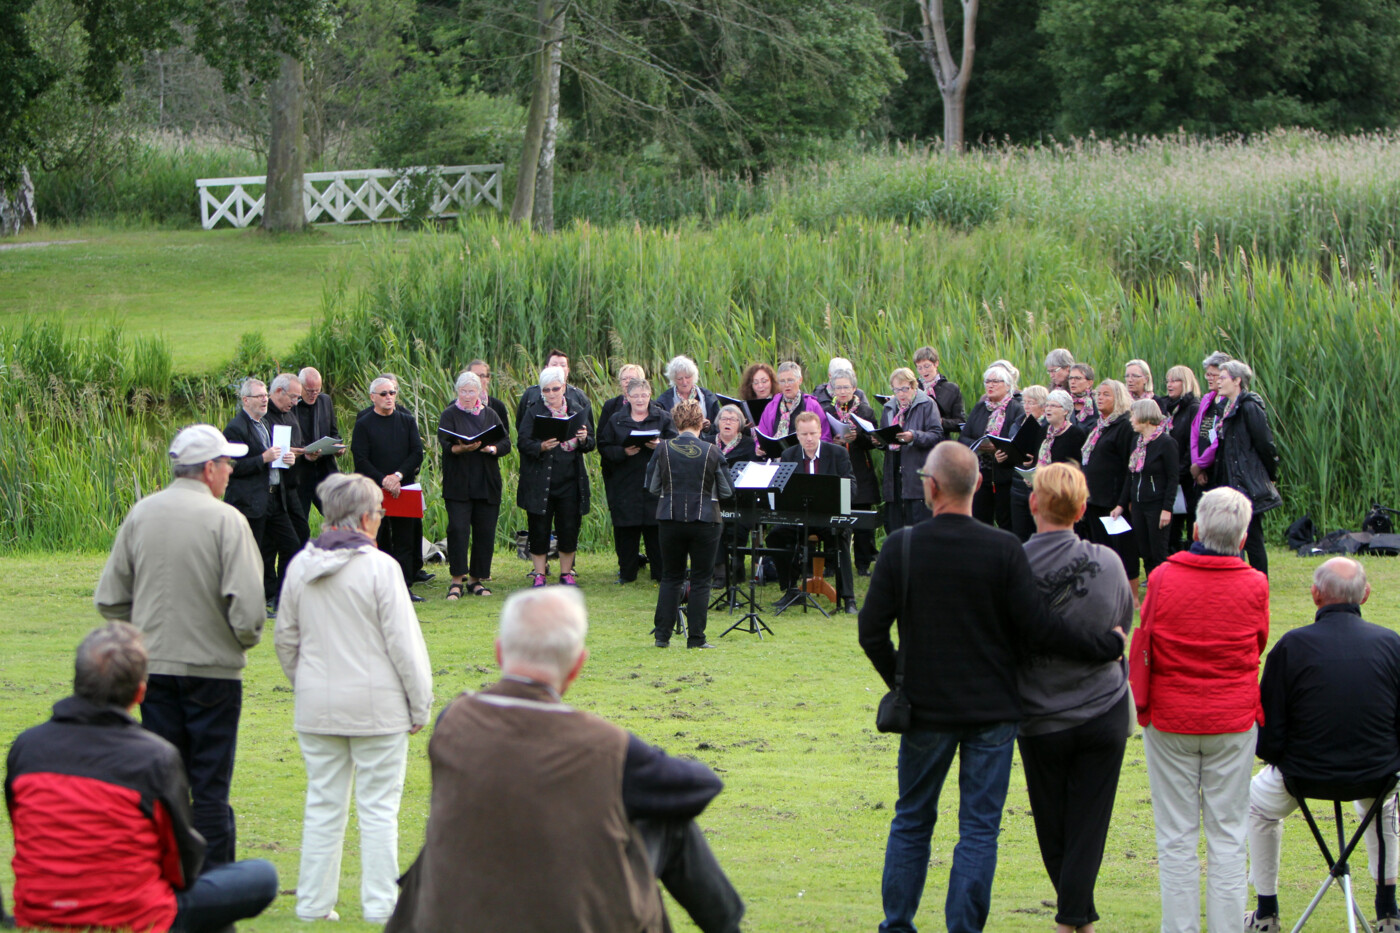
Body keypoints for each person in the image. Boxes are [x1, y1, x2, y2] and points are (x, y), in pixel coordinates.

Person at [858, 442, 1124, 933]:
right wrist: (1105, 645)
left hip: (926, 707)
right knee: (978, 829)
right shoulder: (1002, 548)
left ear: (930, 487)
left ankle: (897, 923)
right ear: (979, 485)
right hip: (994, 710)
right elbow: (1039, 627)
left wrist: (900, 678)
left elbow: (870, 632)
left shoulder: (903, 545)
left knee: (913, 818)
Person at [386, 587, 745, 932]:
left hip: (449, 917)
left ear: (499, 653)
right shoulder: (609, 748)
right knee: (667, 817)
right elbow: (703, 784)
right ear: (577, 666)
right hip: (572, 915)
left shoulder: (453, 722)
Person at [5, 622, 278, 932]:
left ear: (77, 680)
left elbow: (24, 831)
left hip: (41, 912)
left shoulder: (26, 748)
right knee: (261, 876)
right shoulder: (153, 758)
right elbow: (181, 865)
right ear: (140, 692)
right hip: (131, 917)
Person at [94, 423, 264, 867]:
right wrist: (237, 641)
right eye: (226, 463)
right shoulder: (227, 520)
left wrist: (144, 636)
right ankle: (214, 891)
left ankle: (161, 875)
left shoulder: (141, 514)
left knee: (165, 781)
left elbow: (110, 598)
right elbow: (248, 612)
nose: (230, 471)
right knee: (210, 786)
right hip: (213, 672)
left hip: (154, 671)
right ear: (208, 469)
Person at [276, 473, 434, 923]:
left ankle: (312, 903)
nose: (382, 519)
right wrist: (419, 704)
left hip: (319, 707)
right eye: (380, 512)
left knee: (324, 805)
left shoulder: (300, 566)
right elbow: (405, 645)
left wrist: (307, 682)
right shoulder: (381, 567)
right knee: (380, 809)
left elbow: (286, 642)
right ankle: (381, 905)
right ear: (365, 518)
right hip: (378, 710)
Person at [1129, 486, 1269, 933]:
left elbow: (1144, 638)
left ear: (1197, 529)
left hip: (1173, 718)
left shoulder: (1167, 578)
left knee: (1177, 836)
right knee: (1228, 836)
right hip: (1229, 718)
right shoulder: (1253, 582)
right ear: (1243, 538)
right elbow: (1258, 642)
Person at [1245, 558, 1400, 933]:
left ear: (1315, 595)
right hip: (1375, 776)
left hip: (1303, 776)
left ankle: (1266, 912)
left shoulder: (1291, 646)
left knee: (1256, 803)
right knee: (1385, 806)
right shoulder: (1392, 644)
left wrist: (1286, 759)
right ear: (1365, 593)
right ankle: (1389, 912)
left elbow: (1268, 737)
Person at [1020, 463, 1136, 933]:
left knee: (1052, 822)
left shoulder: (1013, 564)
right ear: (1083, 509)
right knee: (1090, 821)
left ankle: (1070, 918)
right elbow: (1121, 627)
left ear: (1033, 504)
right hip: (1101, 707)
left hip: (1039, 711)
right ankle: (1078, 918)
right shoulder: (1109, 563)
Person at [646, 399, 735, 647]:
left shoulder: (662, 449)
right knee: (700, 580)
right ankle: (696, 638)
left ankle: (662, 636)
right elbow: (727, 491)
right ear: (701, 422)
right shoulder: (712, 451)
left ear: (676, 422)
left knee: (670, 577)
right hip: (705, 519)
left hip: (670, 518)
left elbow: (652, 487)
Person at [766, 411, 858, 614]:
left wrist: (834, 496)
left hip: (828, 516)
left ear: (820, 433)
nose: (808, 439)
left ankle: (848, 598)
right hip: (800, 518)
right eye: (803, 434)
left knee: (842, 535)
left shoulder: (838, 453)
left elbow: (851, 486)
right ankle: (791, 589)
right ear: (797, 435)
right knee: (775, 536)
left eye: (812, 433)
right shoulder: (789, 455)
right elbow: (781, 489)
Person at [223, 376, 298, 609]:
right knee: (253, 553)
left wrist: (288, 459)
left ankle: (278, 595)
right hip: (251, 501)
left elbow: (272, 461)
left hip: (275, 497)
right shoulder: (236, 428)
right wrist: (262, 459)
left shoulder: (265, 424)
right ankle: (254, 601)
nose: (265, 400)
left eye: (266, 395)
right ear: (246, 400)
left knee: (292, 544)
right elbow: (231, 468)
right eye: (260, 396)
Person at [517, 365, 595, 587]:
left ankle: (566, 573)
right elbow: (522, 442)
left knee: (569, 526)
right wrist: (540, 446)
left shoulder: (578, 409)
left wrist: (582, 438)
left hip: (570, 479)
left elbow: (591, 443)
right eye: (546, 390)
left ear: (564, 388)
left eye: (555, 389)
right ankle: (540, 573)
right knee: (539, 527)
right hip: (541, 480)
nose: (551, 394)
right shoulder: (534, 411)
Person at [351, 375, 427, 601]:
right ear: (372, 397)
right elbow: (361, 459)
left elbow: (416, 452)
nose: (389, 397)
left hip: (403, 488)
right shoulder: (364, 424)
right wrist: (383, 480)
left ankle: (403, 587)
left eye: (392, 393)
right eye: (383, 394)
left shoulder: (406, 421)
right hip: (375, 490)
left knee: (405, 540)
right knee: (379, 539)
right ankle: (379, 588)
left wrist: (397, 476)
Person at [439, 370, 510, 599]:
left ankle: (476, 580)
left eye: (472, 391)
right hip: (458, 482)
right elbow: (445, 444)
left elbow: (506, 442)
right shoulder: (449, 414)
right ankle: (456, 580)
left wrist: (491, 448)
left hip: (486, 481)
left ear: (479, 392)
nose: (467, 396)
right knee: (458, 529)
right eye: (463, 391)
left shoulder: (490, 414)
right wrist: (463, 448)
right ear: (457, 392)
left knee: (485, 530)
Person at [600, 377, 673, 585]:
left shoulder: (663, 417)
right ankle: (627, 573)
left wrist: (660, 445)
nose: (640, 399)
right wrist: (623, 451)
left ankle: (660, 573)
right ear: (627, 397)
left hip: (655, 483)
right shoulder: (616, 420)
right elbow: (604, 447)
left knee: (655, 530)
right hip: (626, 482)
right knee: (627, 530)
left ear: (650, 395)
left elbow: (676, 444)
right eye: (635, 395)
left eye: (644, 395)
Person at [1214, 358, 1280, 576]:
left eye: (1223, 378)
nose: (1218, 381)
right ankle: (1237, 580)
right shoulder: (1224, 407)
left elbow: (1265, 444)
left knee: (1252, 536)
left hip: (1248, 481)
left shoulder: (1250, 407)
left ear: (1237, 380)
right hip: (1231, 480)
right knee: (1233, 537)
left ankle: (1261, 581)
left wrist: (1271, 474)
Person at [1078, 379, 1140, 589]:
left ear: (1119, 398)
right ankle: (1107, 588)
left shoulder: (1124, 426)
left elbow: (1129, 467)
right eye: (1099, 394)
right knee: (1101, 546)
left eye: (1106, 395)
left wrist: (1124, 500)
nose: (1100, 398)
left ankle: (1130, 593)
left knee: (1123, 546)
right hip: (1095, 497)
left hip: (1113, 500)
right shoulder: (1100, 425)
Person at [822, 366, 881, 575]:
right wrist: (835, 441)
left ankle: (863, 563)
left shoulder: (865, 411)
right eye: (838, 388)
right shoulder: (828, 412)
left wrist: (859, 438)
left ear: (854, 388)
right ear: (832, 390)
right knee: (834, 517)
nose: (843, 391)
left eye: (846, 387)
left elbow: (874, 442)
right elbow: (823, 440)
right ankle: (832, 562)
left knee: (862, 516)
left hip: (859, 467)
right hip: (836, 469)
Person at [1111, 398, 1179, 578]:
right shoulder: (1137, 442)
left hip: (1157, 504)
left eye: (1134, 415)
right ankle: (1151, 584)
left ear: (1145, 417)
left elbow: (1173, 478)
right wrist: (1121, 504)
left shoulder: (1166, 443)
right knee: (1144, 550)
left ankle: (1163, 588)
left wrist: (1167, 508)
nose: (1131, 419)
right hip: (1139, 505)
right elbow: (1130, 475)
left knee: (1158, 551)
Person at [876, 367, 942, 532]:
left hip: (916, 472)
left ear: (913, 387)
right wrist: (879, 440)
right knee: (895, 526)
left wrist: (914, 437)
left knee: (918, 525)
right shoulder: (890, 407)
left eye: (905, 389)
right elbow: (885, 434)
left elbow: (936, 434)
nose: (901, 394)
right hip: (894, 473)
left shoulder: (927, 404)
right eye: (896, 390)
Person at [962, 364, 1024, 531]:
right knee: (979, 522)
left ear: (1008, 385)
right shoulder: (980, 408)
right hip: (981, 473)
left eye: (995, 382)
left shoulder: (1016, 409)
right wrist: (980, 445)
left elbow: (1018, 442)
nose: (990, 385)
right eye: (987, 382)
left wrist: (997, 448)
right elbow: (964, 437)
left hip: (1005, 475)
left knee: (1006, 522)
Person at [264, 372, 310, 555]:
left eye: (298, 398)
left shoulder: (290, 413)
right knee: (276, 543)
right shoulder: (264, 416)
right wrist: (289, 452)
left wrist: (306, 452)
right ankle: (277, 582)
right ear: (278, 391)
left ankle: (291, 578)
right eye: (293, 397)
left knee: (302, 532)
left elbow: (297, 443)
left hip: (292, 485)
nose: (295, 403)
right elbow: (267, 450)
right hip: (274, 488)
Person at [294, 366, 345, 520]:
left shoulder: (325, 401)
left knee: (340, 516)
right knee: (300, 523)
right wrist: (304, 453)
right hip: (300, 473)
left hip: (324, 470)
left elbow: (334, 432)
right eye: (309, 390)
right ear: (300, 386)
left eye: (317, 390)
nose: (313, 394)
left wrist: (337, 447)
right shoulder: (292, 406)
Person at [1160, 365, 1201, 551]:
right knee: (1171, 527)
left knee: (1191, 522)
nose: (1170, 384)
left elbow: (1193, 443)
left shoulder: (1194, 408)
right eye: (1168, 380)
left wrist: (1180, 470)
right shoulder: (1167, 408)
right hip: (1170, 476)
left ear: (1186, 383)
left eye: (1175, 380)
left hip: (1186, 477)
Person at [756, 361, 831, 446]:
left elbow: (825, 436)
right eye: (782, 381)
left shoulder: (812, 405)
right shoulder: (771, 406)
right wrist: (759, 446)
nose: (787, 385)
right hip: (776, 456)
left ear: (800, 380)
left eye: (790, 380)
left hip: (803, 455)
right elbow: (762, 435)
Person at [1008, 384, 1049, 542]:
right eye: (1024, 402)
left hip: (1037, 484)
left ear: (1042, 405)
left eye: (1031, 403)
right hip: (1017, 482)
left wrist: (1036, 460)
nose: (1026, 406)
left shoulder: (1046, 427)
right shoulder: (1017, 423)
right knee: (1019, 532)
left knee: (1038, 532)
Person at [1189, 350, 1230, 495]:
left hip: (1219, 470)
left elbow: (1219, 438)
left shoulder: (1230, 403)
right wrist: (1197, 466)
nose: (1209, 378)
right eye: (1208, 374)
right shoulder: (1207, 399)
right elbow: (1195, 432)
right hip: (1200, 469)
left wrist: (1200, 464)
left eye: (1214, 375)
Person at [516, 348, 589, 423]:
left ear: (568, 370)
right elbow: (521, 424)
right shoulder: (531, 393)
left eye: (563, 365)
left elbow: (589, 429)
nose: (558, 368)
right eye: (554, 364)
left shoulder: (579, 396)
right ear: (546, 368)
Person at [913, 345, 965, 436]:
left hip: (940, 441)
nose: (924, 371)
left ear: (936, 363)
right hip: (916, 440)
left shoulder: (951, 389)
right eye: (919, 368)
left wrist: (941, 421)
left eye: (927, 366)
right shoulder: (912, 388)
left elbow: (960, 423)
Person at [656, 354, 720, 426]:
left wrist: (708, 427)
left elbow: (717, 426)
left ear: (693, 376)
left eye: (687, 377)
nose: (684, 382)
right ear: (674, 379)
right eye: (680, 379)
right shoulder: (664, 401)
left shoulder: (708, 397)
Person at [466, 358, 512, 436]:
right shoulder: (456, 405)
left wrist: (493, 448)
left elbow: (505, 440)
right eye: (474, 376)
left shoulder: (498, 406)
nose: (478, 379)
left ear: (488, 379)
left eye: (482, 376)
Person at [598, 362, 647, 433]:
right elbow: (601, 436)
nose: (627, 381)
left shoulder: (652, 406)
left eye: (631, 378)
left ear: (641, 381)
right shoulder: (610, 405)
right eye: (624, 379)